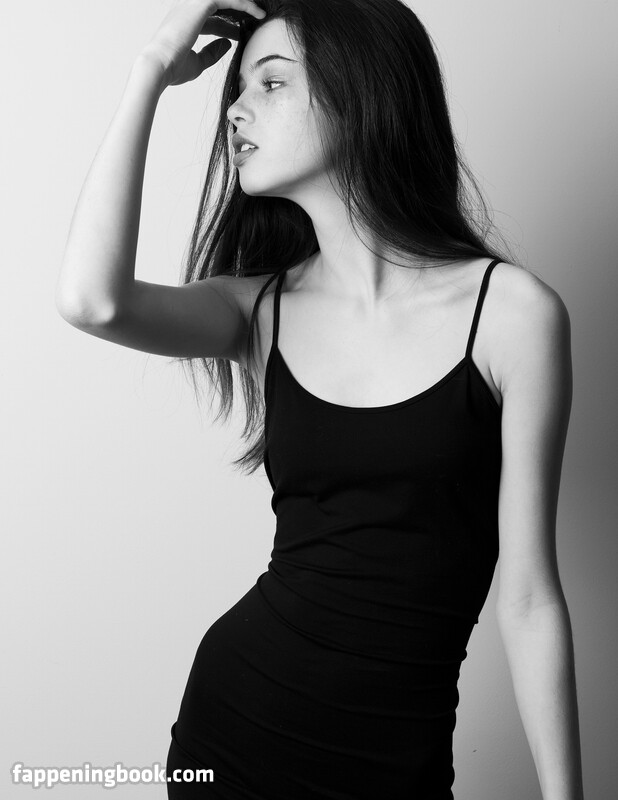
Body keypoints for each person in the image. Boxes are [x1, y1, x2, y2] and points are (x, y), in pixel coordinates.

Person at [55, 0, 584, 798]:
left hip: (396, 762)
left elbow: (530, 595)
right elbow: (92, 302)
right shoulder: (260, 310)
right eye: (238, 88)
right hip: (235, 732)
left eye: (271, 83)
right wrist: (149, 72)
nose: (236, 110)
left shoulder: (511, 315)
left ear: (362, 93)